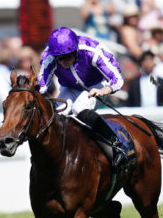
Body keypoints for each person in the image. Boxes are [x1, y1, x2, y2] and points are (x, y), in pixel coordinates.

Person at [37, 27, 125, 168]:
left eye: (69, 56)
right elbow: (42, 84)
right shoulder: (49, 56)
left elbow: (118, 78)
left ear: (76, 50)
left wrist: (104, 90)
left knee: (79, 108)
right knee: (57, 113)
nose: (64, 61)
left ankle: (115, 143)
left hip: (95, 85)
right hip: (69, 87)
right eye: (60, 58)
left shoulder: (92, 51)